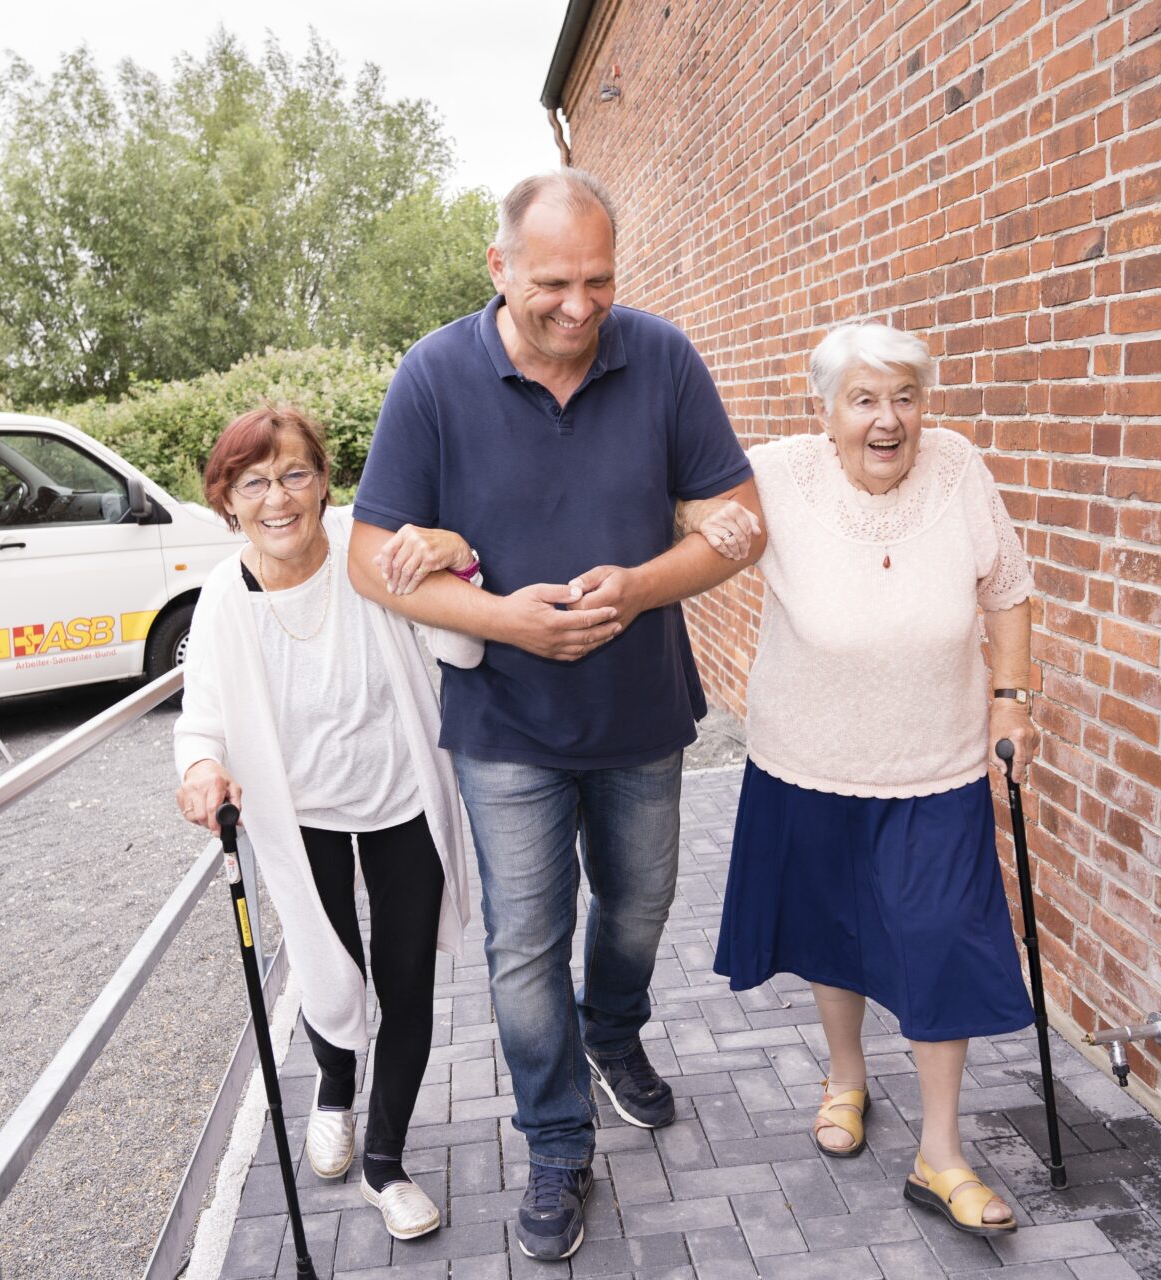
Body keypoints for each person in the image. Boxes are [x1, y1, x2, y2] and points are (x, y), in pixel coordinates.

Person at [345, 169, 765, 1262]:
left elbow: (740, 520)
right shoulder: (435, 376)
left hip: (641, 712)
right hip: (506, 725)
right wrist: (503, 618)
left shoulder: (662, 356)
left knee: (637, 905)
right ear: (498, 268)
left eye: (599, 282)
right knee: (524, 944)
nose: (579, 307)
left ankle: (613, 1031)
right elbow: (366, 558)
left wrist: (644, 582)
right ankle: (555, 1137)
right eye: (552, 284)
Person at [711, 322, 1039, 1237]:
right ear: (825, 410)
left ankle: (941, 1153)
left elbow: (1007, 586)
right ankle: (845, 1076)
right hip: (808, 757)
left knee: (937, 936)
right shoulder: (776, 473)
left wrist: (1010, 700)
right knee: (830, 929)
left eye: (905, 397)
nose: (888, 420)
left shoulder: (959, 467)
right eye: (864, 399)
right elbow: (676, 509)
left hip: (933, 761)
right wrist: (705, 521)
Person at [172, 404, 485, 1243]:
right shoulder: (219, 600)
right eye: (254, 483)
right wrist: (201, 768)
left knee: (406, 978)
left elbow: (463, 648)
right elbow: (199, 718)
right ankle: (335, 1086)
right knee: (326, 964)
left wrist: (456, 561)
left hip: (400, 794)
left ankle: (385, 1164)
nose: (279, 498)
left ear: (324, 481)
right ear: (227, 500)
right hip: (298, 810)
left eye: (295, 474)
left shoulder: (367, 549)